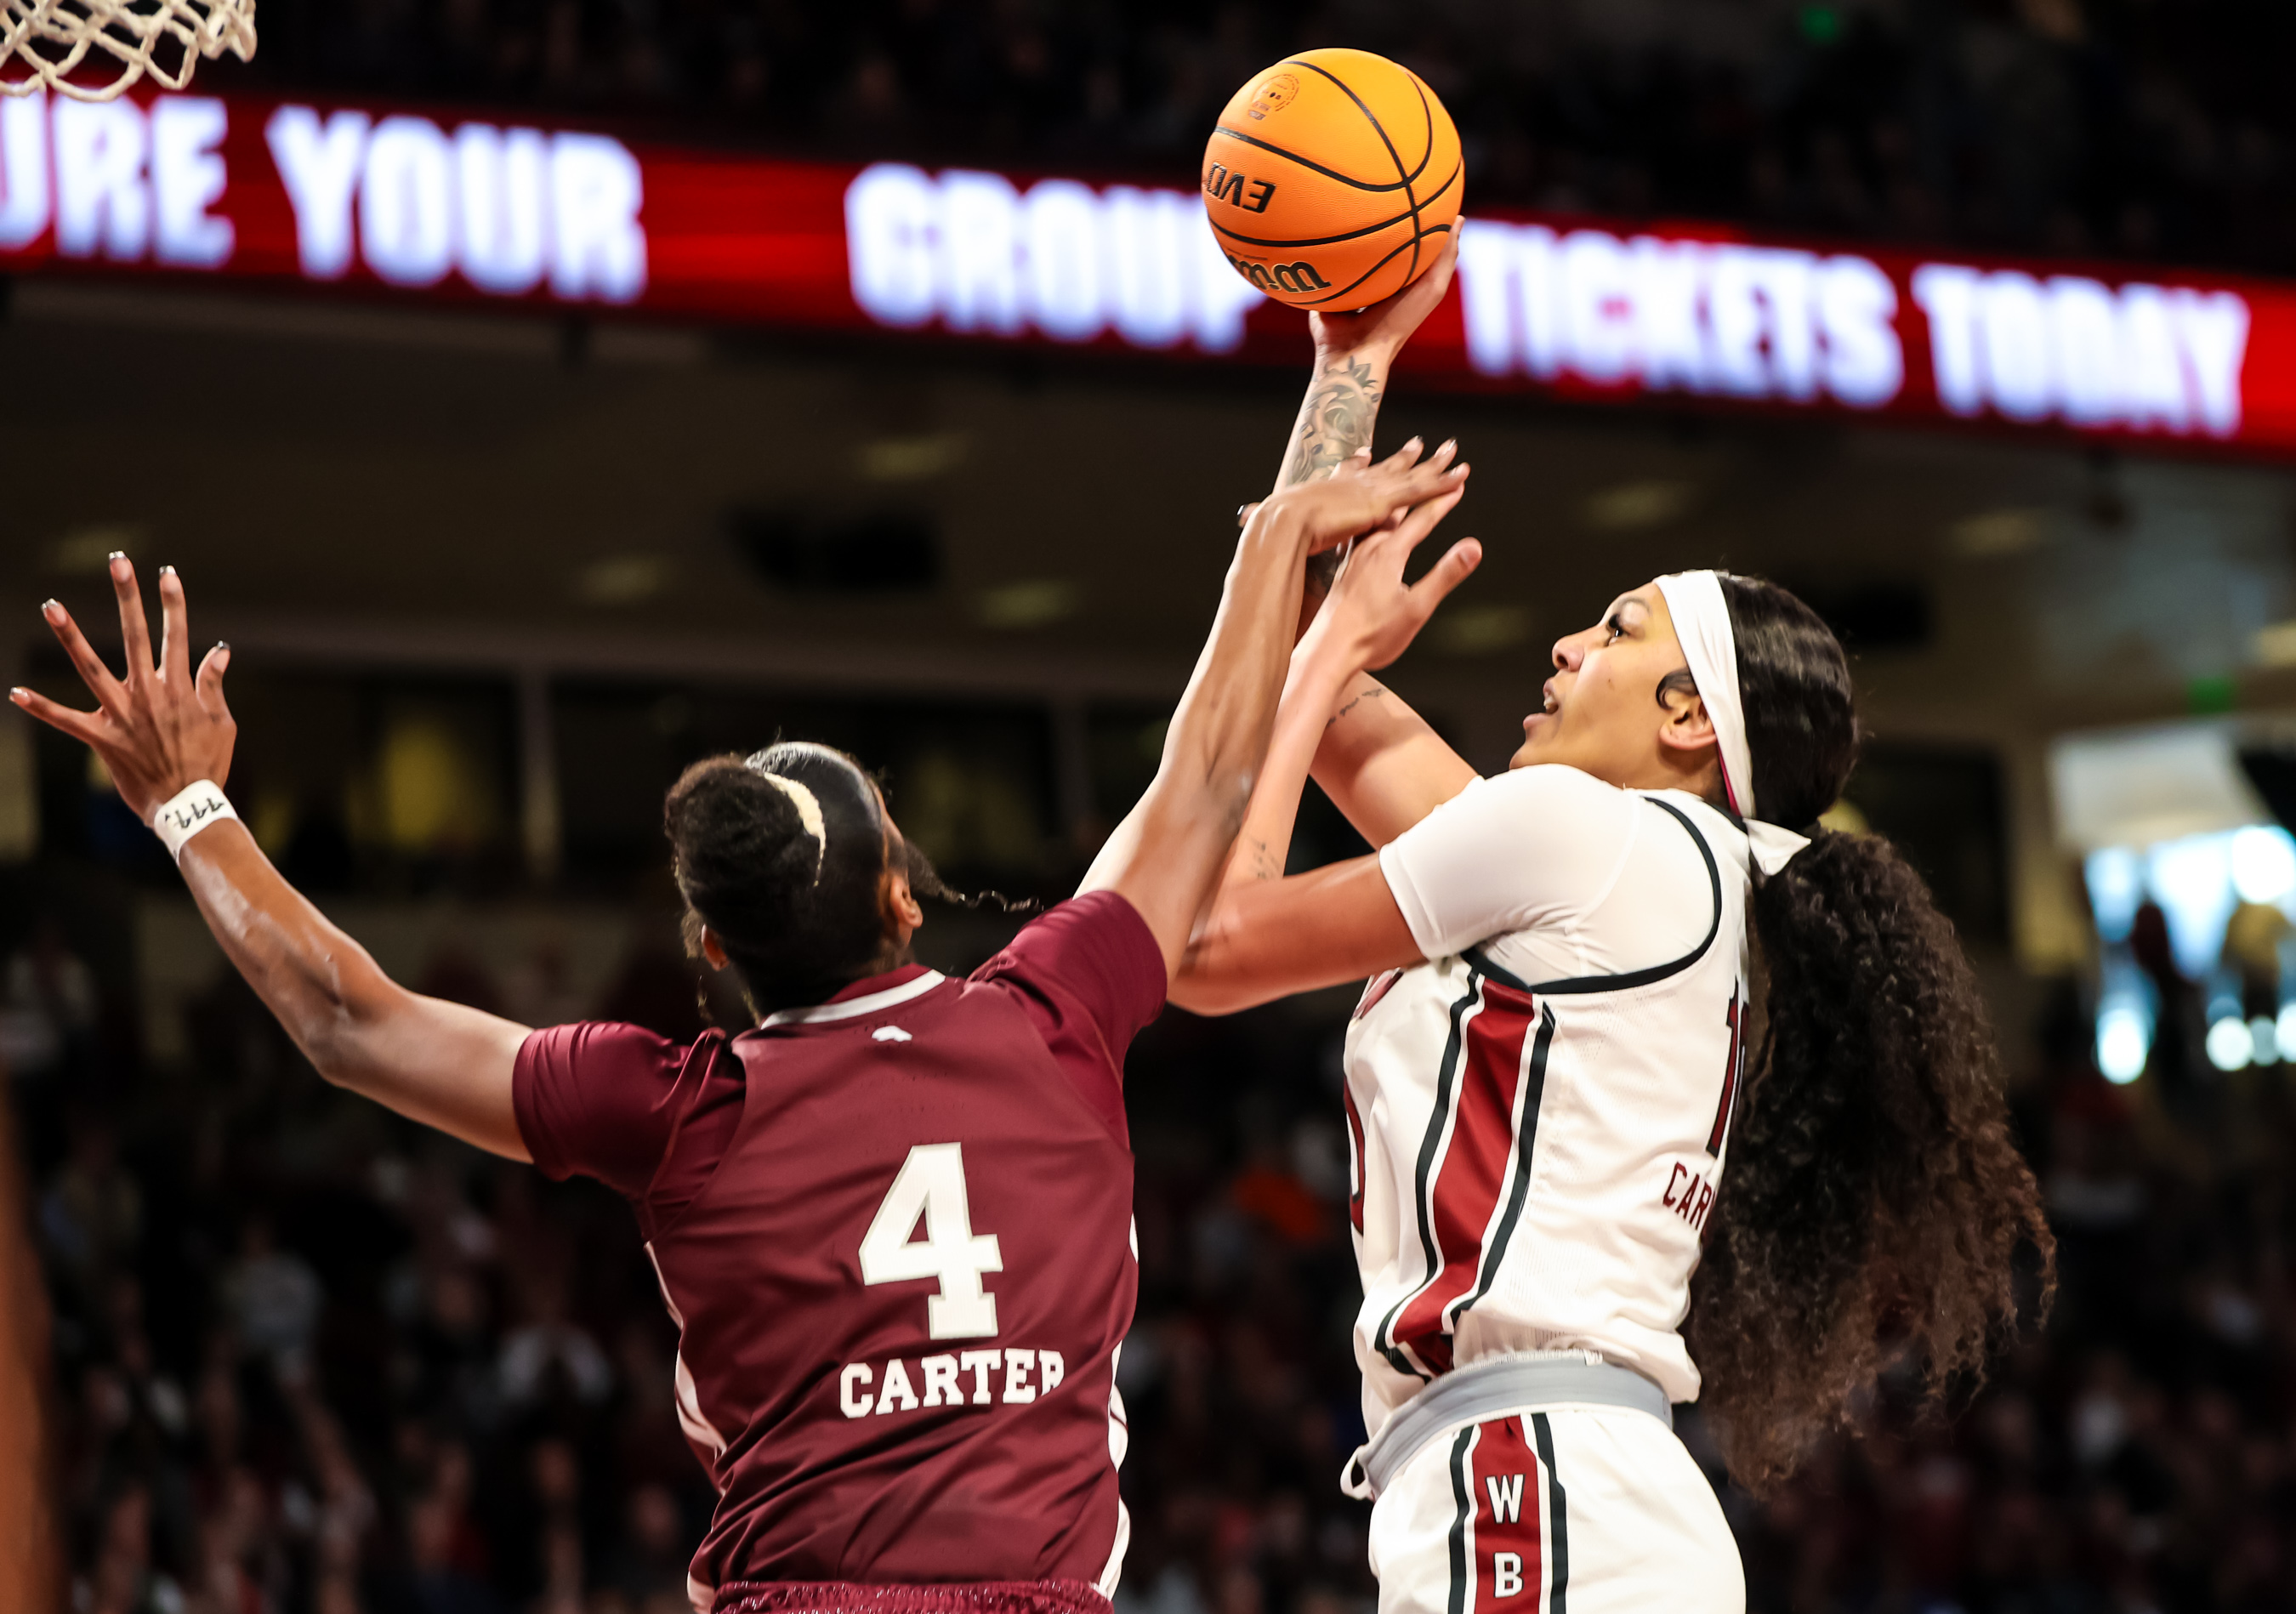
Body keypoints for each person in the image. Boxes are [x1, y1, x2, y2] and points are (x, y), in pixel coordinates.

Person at [8, 446, 1475, 1614]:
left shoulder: (676, 1107)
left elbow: (344, 1019)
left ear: (709, 947)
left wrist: (186, 804)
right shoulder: (1057, 1010)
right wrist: (1285, 525)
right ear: (902, 892)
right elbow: (1205, 776)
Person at [1169, 243, 2055, 1614]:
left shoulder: (1583, 841)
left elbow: (1206, 944)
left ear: (1691, 717)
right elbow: (1281, 664)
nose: (1565, 651)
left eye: (1617, 629)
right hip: (1566, 1485)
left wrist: (1335, 638)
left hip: (1533, 1480)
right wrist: (1346, 371)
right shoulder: (1629, 867)